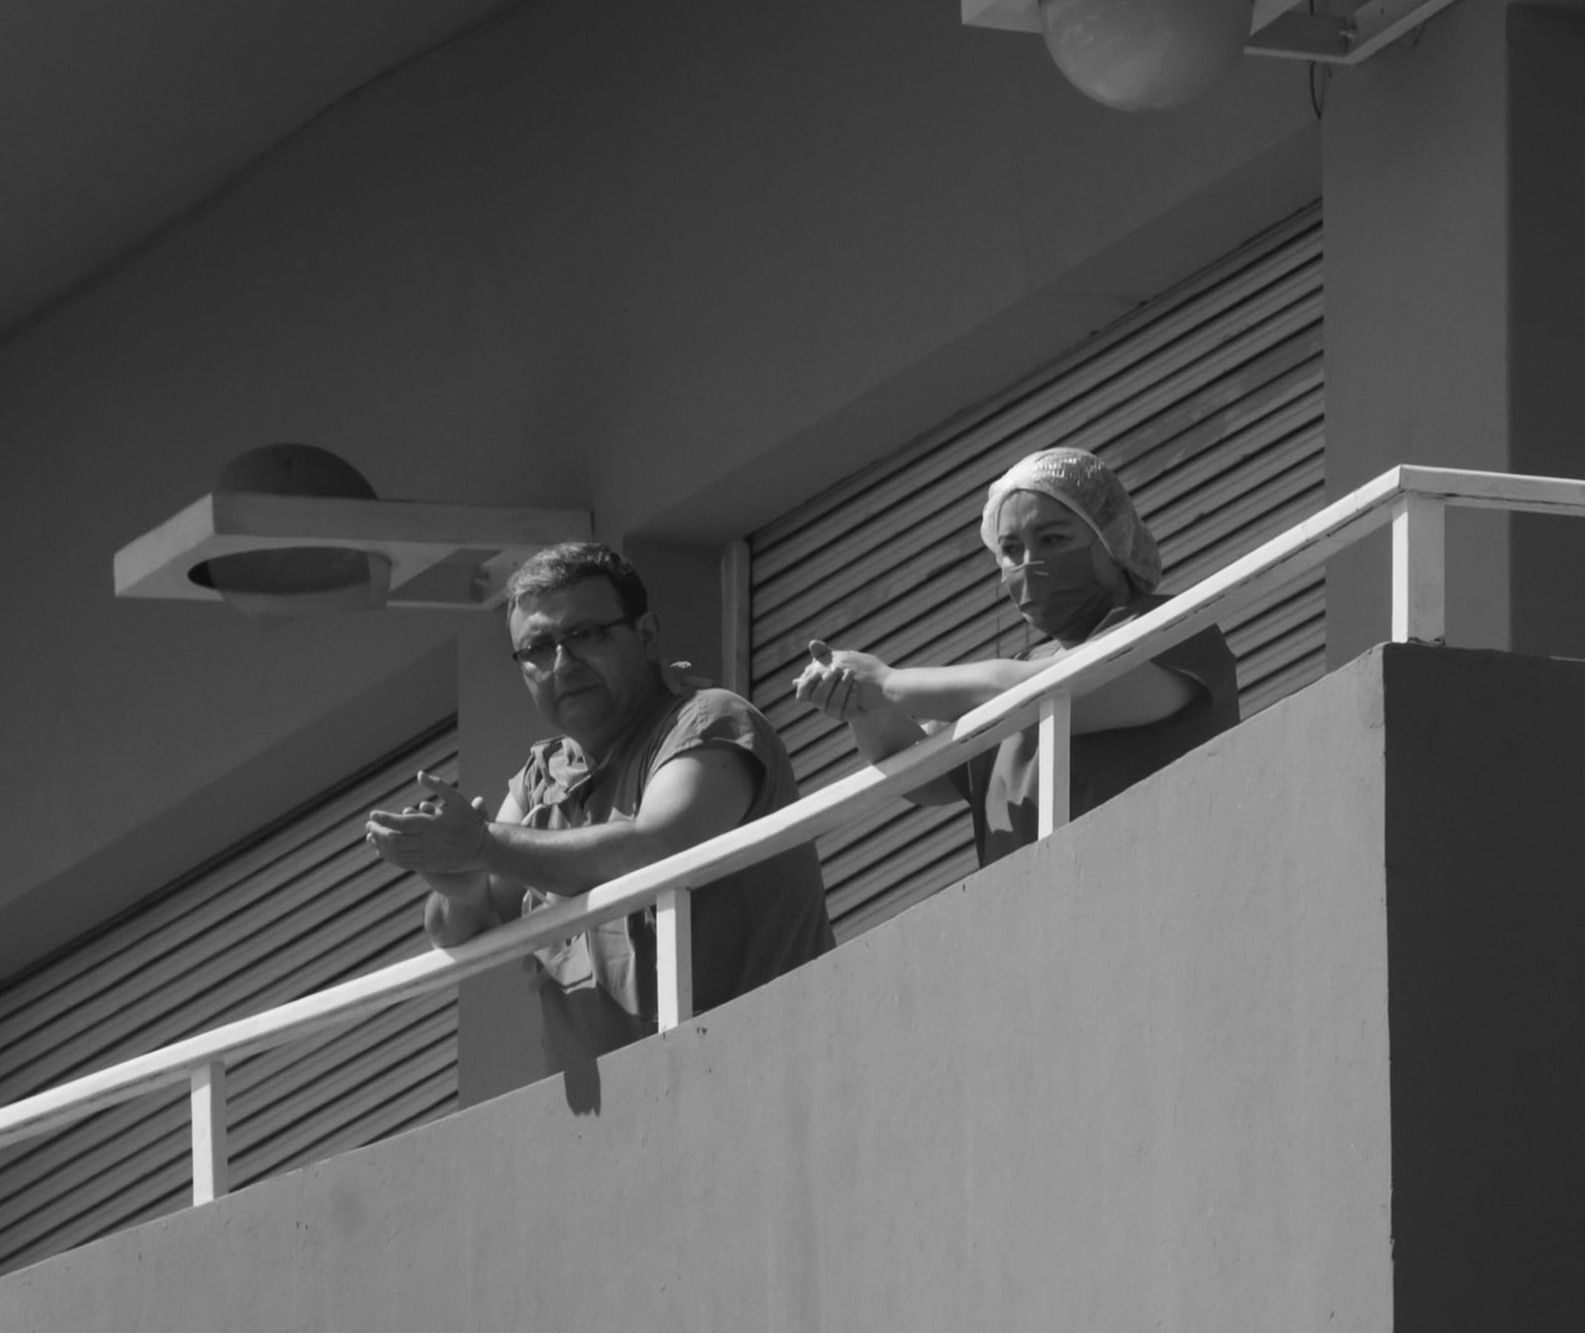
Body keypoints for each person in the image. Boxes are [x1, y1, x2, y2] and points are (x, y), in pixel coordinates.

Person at [366, 540, 832, 1078]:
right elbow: (460, 931)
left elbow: (658, 845)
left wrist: (480, 847)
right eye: (537, 648)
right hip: (608, 1133)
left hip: (764, 1075)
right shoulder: (540, 778)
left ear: (647, 634)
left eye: (584, 635)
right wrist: (459, 881)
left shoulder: (711, 721)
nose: (562, 664)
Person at [784, 447, 1237, 867]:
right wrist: (859, 701)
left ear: (1112, 541)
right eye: (1011, 550)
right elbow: (919, 771)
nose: (1028, 563)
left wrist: (886, 683)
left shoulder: (1176, 628)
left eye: (1053, 539)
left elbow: (1059, 688)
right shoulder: (1012, 672)